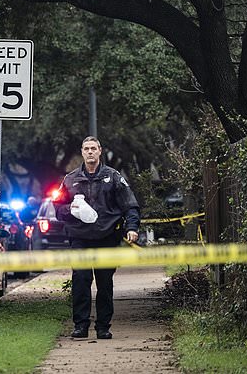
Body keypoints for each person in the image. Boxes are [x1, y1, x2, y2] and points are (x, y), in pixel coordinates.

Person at [55, 136, 140, 340]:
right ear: (82, 152)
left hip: (107, 236)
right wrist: (71, 210)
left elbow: (130, 205)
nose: (90, 152)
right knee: (81, 281)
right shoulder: (70, 179)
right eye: (87, 149)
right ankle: (80, 326)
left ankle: (103, 327)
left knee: (105, 283)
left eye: (94, 148)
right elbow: (57, 209)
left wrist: (132, 227)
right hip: (80, 238)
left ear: (100, 151)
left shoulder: (113, 177)